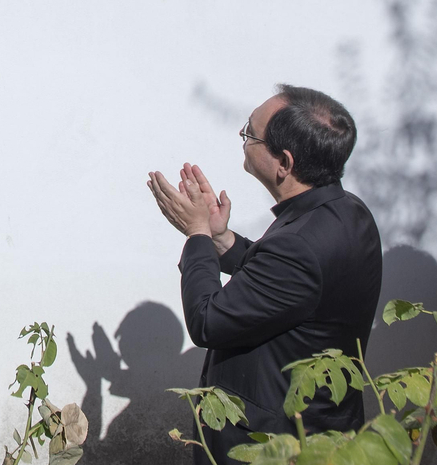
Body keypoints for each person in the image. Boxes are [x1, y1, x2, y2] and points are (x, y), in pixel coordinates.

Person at [149, 85, 382, 465]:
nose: (242, 139)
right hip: (322, 429)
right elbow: (285, 290)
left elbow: (207, 320)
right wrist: (222, 238)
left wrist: (198, 236)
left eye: (249, 134)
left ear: (284, 164)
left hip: (273, 443)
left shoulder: (299, 245)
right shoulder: (348, 211)